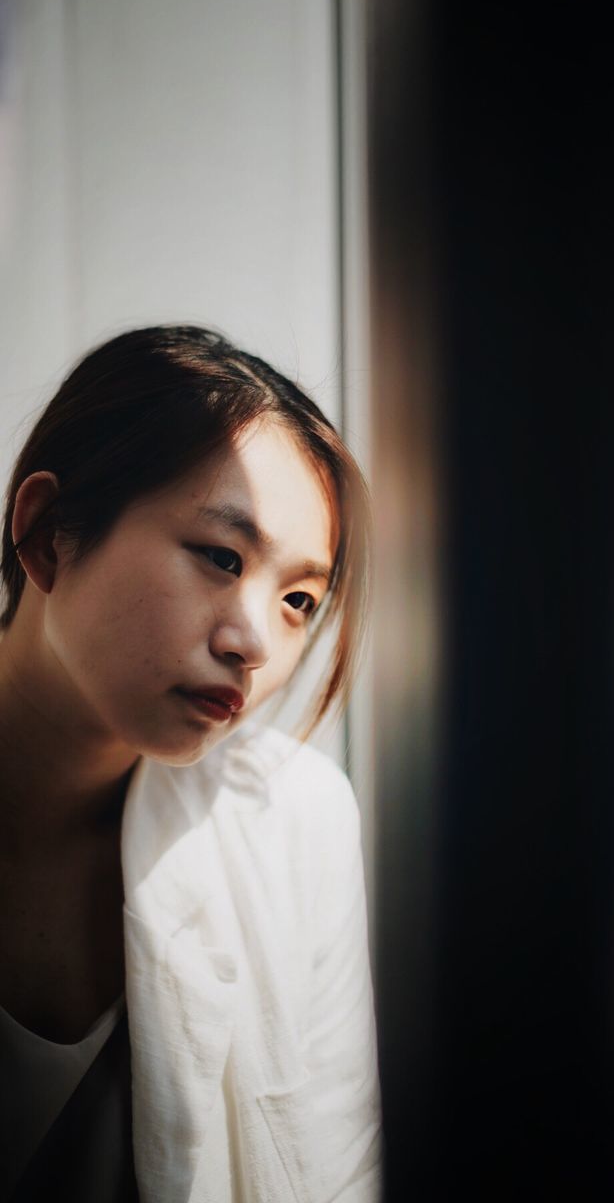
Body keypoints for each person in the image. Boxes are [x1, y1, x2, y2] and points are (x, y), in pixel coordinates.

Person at [0, 325, 381, 1202]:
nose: (255, 643)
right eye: (220, 556)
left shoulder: (294, 821)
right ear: (49, 530)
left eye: (298, 600)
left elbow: (339, 1171)